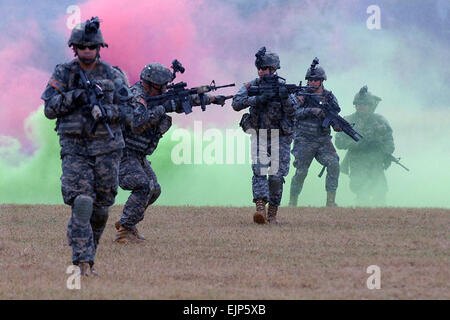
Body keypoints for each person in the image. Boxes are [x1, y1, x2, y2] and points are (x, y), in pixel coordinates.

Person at [41, 17, 131, 276]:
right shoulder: (63, 73)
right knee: (82, 202)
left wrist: (105, 111)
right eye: (82, 47)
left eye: (92, 47)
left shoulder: (113, 75)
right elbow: (49, 109)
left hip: (107, 148)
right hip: (75, 148)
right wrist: (75, 97)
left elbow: (128, 112)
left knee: (101, 209)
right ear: (74, 48)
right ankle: (82, 261)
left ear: (99, 47)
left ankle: (88, 250)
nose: (87, 51)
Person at [113, 62, 227, 243]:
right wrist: (162, 108)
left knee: (154, 190)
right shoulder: (136, 97)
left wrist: (212, 99)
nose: (166, 89)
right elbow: (136, 122)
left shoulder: (155, 95)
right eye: (163, 86)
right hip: (123, 154)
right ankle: (125, 230)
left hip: (138, 155)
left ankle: (129, 221)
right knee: (143, 186)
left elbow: (182, 101)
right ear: (151, 84)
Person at [232, 47, 296, 224]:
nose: (261, 72)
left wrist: (284, 98)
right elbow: (236, 103)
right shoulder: (251, 85)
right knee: (259, 172)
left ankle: (272, 214)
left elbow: (293, 112)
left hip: (280, 137)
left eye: (264, 69)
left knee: (276, 177)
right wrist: (257, 99)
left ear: (273, 69)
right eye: (259, 69)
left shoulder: (283, 88)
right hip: (259, 134)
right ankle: (260, 208)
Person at [289, 58, 342, 207]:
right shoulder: (300, 95)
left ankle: (330, 202)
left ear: (322, 81)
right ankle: (293, 202)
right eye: (310, 80)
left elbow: (335, 113)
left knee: (334, 164)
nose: (312, 83)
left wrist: (336, 125)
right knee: (301, 172)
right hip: (304, 139)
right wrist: (311, 110)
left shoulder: (329, 96)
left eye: (315, 80)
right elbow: (292, 112)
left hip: (323, 140)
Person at [335, 86, 394, 206]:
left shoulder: (379, 120)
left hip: (376, 160)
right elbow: (339, 142)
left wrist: (385, 153)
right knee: (362, 194)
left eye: (364, 104)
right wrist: (356, 144)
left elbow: (389, 141)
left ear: (370, 105)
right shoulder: (348, 121)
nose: (361, 107)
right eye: (358, 104)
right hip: (357, 161)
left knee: (380, 193)